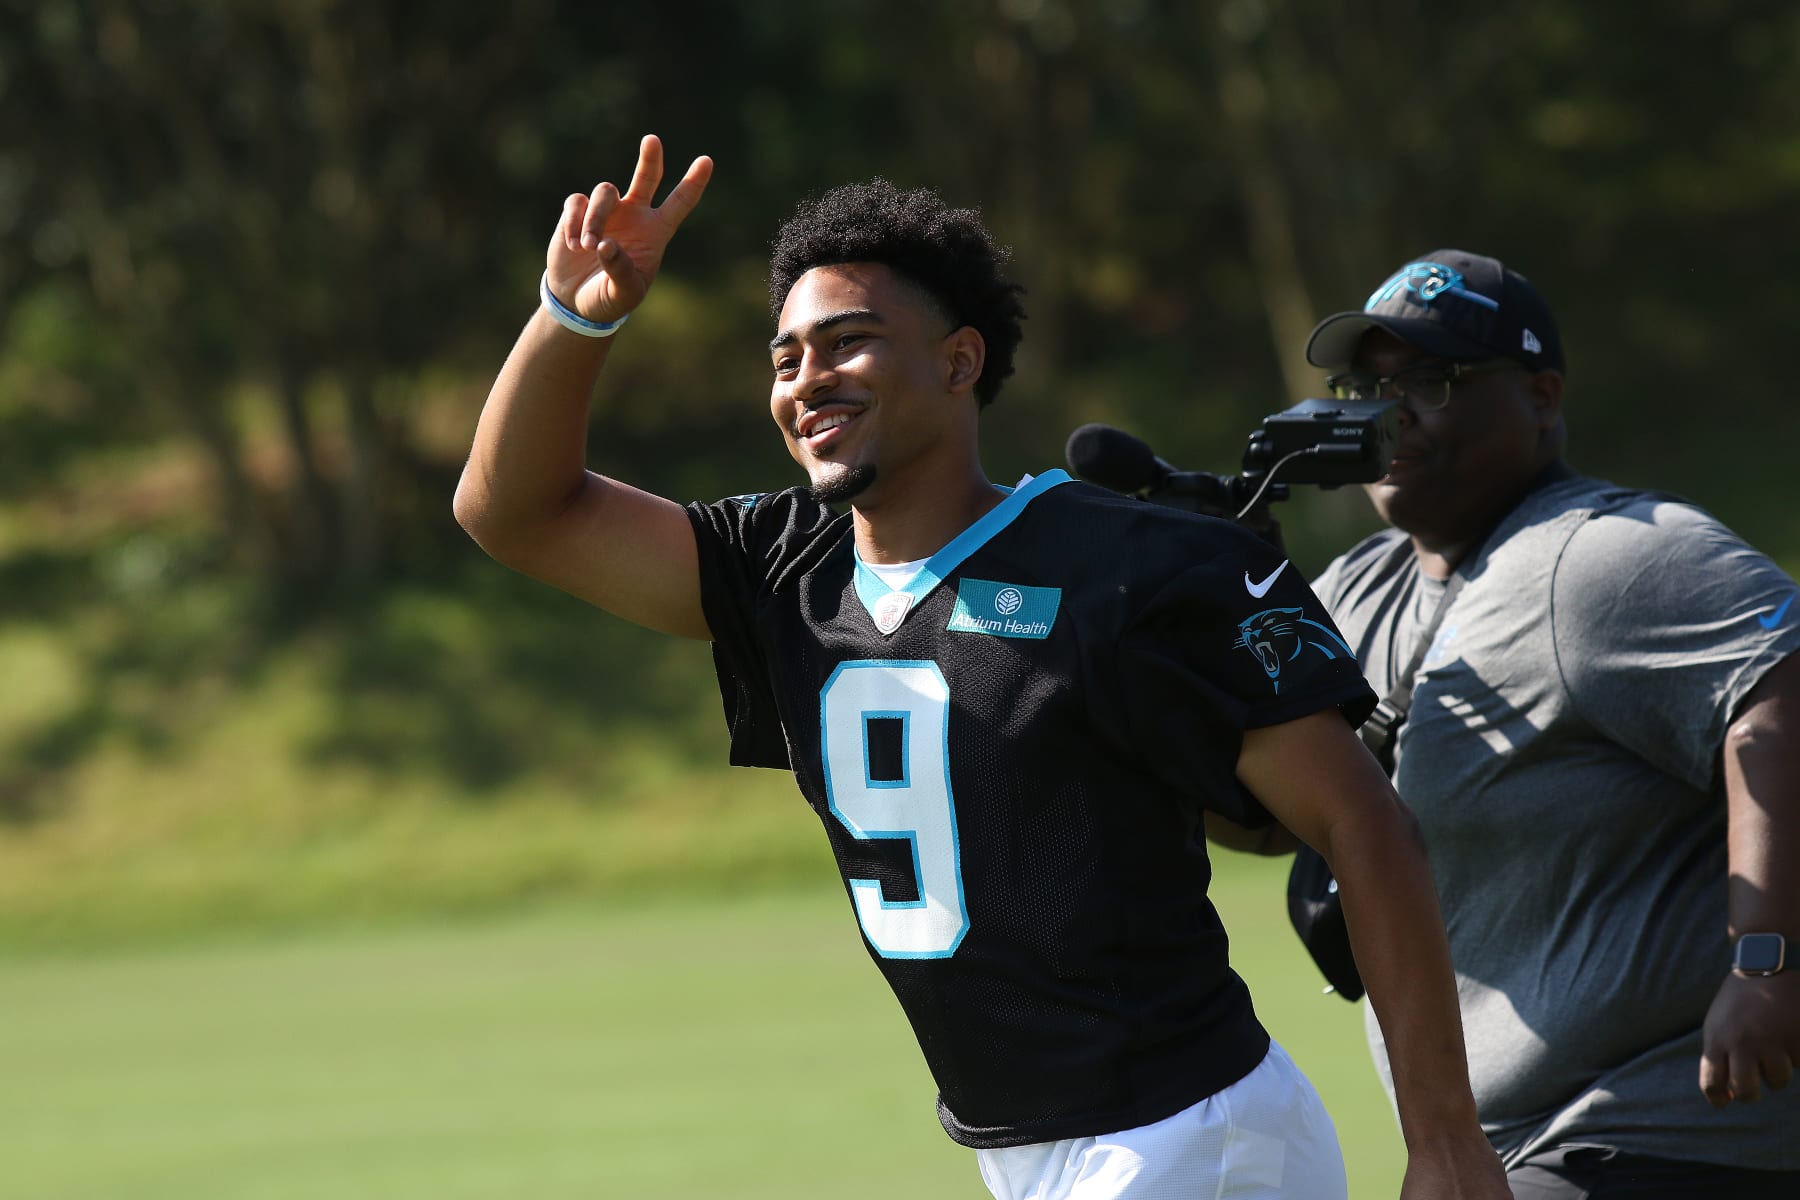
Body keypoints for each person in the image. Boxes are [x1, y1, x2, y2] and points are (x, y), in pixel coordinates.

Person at [454, 134, 1510, 1199]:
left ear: (959, 362)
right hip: (1025, 1151)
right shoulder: (782, 566)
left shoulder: (1130, 566)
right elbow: (515, 513)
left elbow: (1363, 825)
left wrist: (1445, 1140)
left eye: (848, 342)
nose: (808, 379)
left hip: (1187, 1132)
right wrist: (576, 316)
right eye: (786, 358)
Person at [1292, 250, 1800, 1197]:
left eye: (1433, 381)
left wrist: (1769, 961)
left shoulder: (1608, 556)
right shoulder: (1357, 590)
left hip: (1667, 1128)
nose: (1389, 413)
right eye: (1368, 387)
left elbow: (1781, 701)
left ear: (1541, 396)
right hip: (1502, 1144)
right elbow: (1251, 812)